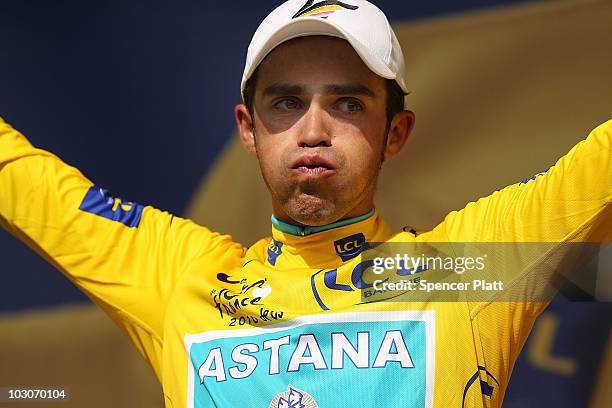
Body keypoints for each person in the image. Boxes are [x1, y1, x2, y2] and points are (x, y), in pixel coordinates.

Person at [0, 0, 610, 406]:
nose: (313, 130)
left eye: (347, 104)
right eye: (286, 104)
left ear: (395, 132)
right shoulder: (181, 279)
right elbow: (20, 178)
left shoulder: (465, 270)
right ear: (248, 128)